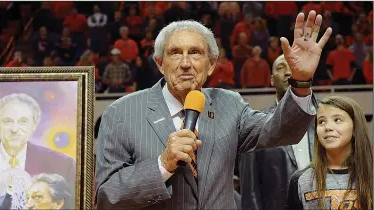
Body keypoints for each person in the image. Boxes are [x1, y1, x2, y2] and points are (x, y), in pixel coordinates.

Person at [95, 10, 332, 209]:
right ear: (159, 63)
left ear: (210, 65)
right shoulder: (121, 113)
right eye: (175, 53)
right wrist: (162, 165)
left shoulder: (229, 104)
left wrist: (301, 82)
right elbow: (106, 196)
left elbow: (282, 131)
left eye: (195, 53)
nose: (185, 63)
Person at [238, 54, 315, 210]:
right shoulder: (256, 125)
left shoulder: (324, 116)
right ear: (272, 80)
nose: (288, 72)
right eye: (281, 68)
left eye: (293, 67)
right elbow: (250, 189)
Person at [286, 96, 373, 210]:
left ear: (355, 128)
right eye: (321, 121)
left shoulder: (370, 175)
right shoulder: (301, 180)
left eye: (337, 120)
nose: (328, 127)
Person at [0, 93, 76, 208]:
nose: (14, 129)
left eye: (23, 121)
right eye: (7, 121)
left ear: (34, 125)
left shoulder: (63, 165)